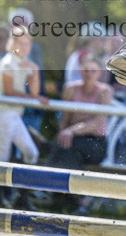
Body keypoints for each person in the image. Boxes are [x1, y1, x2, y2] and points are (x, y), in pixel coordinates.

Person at [44, 53, 113, 213]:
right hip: (72, 141)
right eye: (86, 70)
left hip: (94, 143)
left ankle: (54, 193)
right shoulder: (70, 89)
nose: (89, 74)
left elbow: (98, 122)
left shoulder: (105, 92)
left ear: (99, 73)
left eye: (93, 71)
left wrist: (70, 131)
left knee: (65, 148)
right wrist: (63, 134)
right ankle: (73, 201)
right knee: (68, 151)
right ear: (81, 70)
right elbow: (65, 119)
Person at [0, 27, 50, 209]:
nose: (24, 46)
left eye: (27, 43)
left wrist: (35, 71)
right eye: (21, 43)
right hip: (3, 114)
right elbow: (9, 93)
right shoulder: (8, 62)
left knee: (31, 152)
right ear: (14, 44)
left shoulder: (25, 63)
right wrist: (34, 98)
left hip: (15, 115)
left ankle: (21, 198)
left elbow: (33, 91)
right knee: (1, 155)